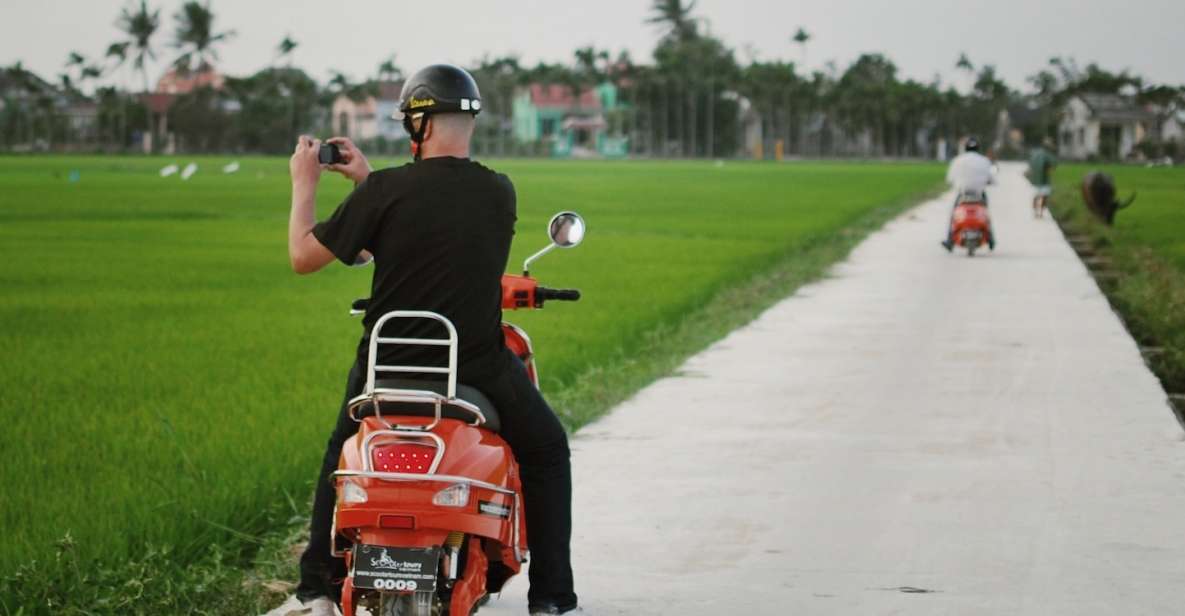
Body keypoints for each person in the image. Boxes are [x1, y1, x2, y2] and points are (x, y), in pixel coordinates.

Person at [287, 64, 581, 616]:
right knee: (546, 450)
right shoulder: (498, 191)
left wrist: (306, 183)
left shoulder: (384, 191)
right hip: (473, 366)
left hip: (386, 365)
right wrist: (369, 182)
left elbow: (307, 256)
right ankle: (551, 599)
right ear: (469, 121)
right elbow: (430, 226)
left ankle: (316, 587)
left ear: (417, 123)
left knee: (339, 455)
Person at [940, 136, 996, 252]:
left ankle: (950, 240)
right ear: (978, 148)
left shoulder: (957, 160)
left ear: (965, 148)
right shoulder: (984, 160)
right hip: (979, 194)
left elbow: (950, 179)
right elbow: (991, 178)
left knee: (954, 214)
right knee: (986, 213)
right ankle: (991, 238)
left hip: (963, 194)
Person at [1028, 137, 1058, 218]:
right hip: (1044, 179)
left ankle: (1036, 212)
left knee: (1037, 195)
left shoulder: (1036, 153)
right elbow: (1053, 165)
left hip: (1036, 179)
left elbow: (1031, 165)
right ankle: (1040, 212)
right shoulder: (1047, 154)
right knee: (1044, 196)